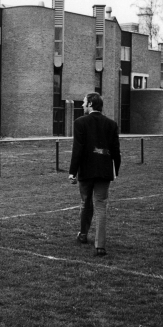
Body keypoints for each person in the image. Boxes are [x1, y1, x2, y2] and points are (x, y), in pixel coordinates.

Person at [68, 92, 121, 257]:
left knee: (86, 203)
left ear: (90, 103)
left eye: (84, 102)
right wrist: (115, 170)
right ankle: (100, 245)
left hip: (86, 170)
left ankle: (83, 235)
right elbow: (115, 151)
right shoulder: (111, 124)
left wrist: (72, 172)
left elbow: (78, 149)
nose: (82, 105)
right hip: (104, 171)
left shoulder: (80, 123)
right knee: (100, 206)